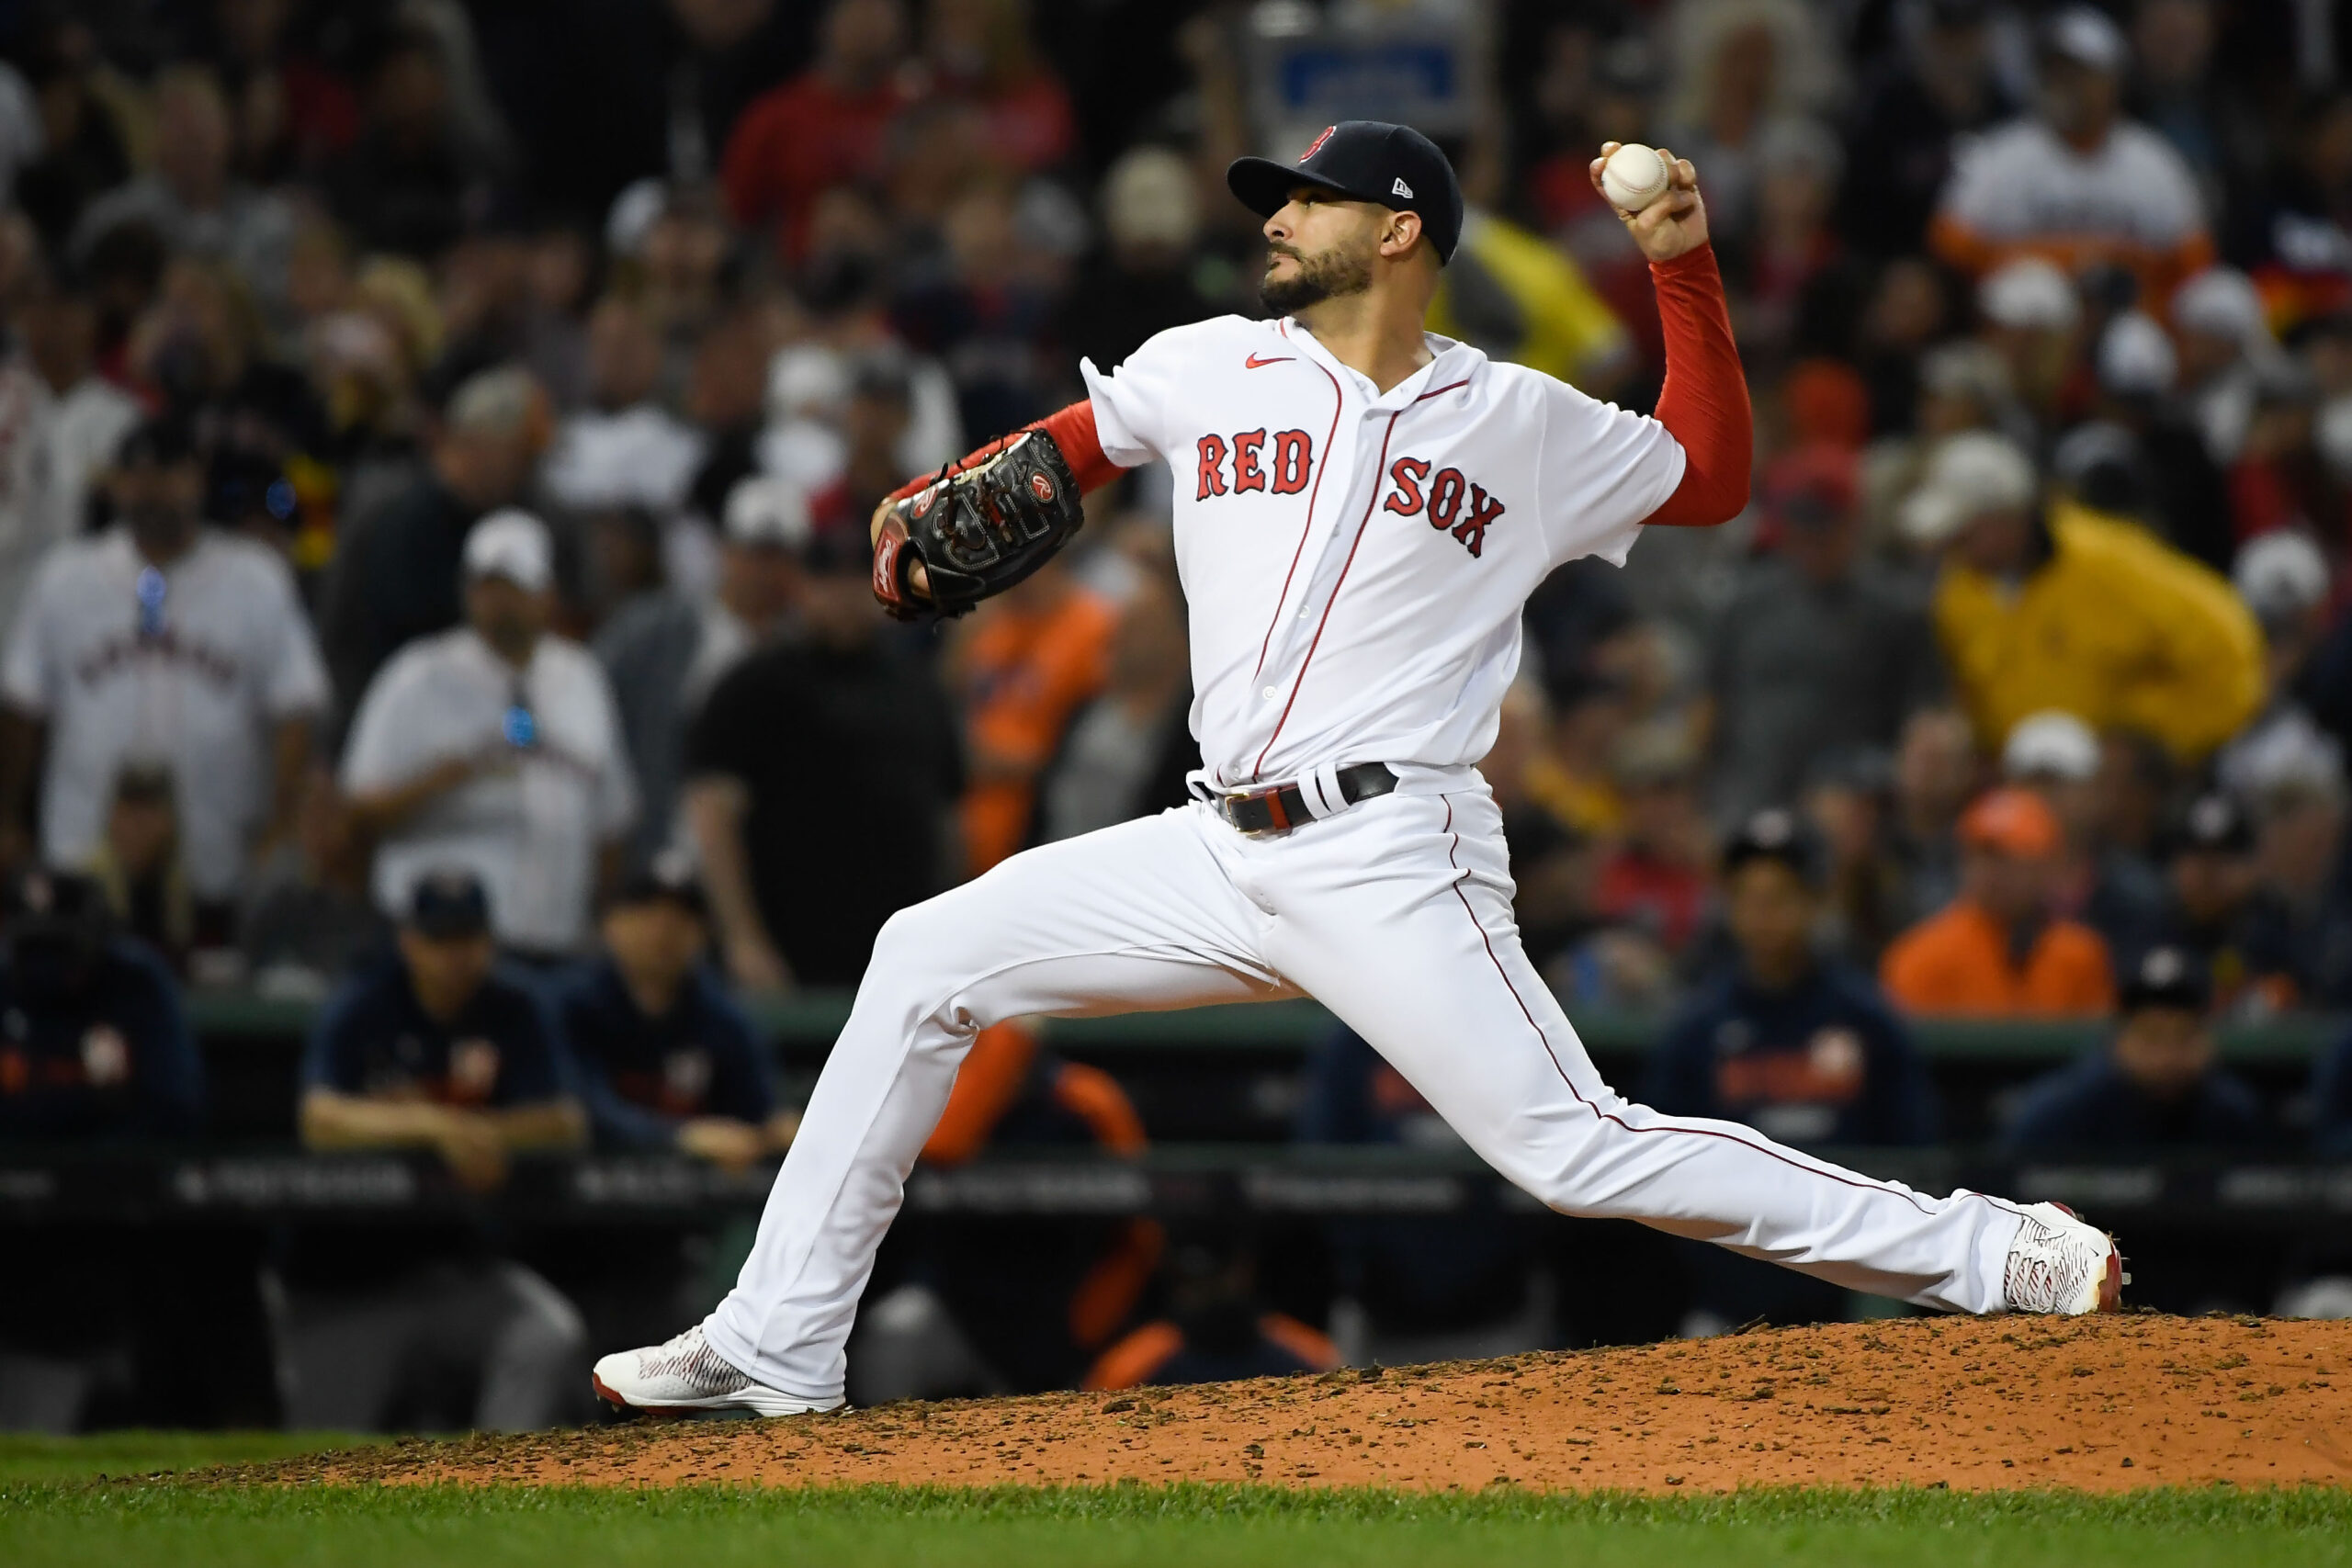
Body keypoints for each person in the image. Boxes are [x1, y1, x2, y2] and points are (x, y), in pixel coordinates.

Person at [594, 123, 2120, 1422]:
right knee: (923, 955)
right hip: (1212, 846)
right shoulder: (1205, 365)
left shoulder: (1518, 419)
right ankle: (782, 1340)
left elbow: (1710, 472)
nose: (1273, 217)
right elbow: (1065, 449)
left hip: (1396, 853)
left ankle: (1999, 1252)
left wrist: (1679, 258)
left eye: (1305, 200)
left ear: (1399, 233)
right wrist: (971, 492)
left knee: (1571, 1147)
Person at [284, 869, 589, 1432]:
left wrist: (486, 1135)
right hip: (348, 1280)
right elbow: (320, 1119)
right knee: (323, 1461)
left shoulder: (512, 1007)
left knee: (544, 1332)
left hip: (458, 1271)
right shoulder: (365, 1004)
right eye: (440, 940)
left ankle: (503, 1491)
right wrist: (433, 1125)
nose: (455, 957)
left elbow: (564, 1120)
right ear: (409, 942)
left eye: (467, 940)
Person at [0, 418, 326, 909]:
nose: (151, 490)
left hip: (217, 851)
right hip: (81, 848)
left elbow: (296, 710)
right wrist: (9, 820)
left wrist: (280, 828)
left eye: (167, 474)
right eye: (136, 476)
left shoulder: (256, 577)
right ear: (115, 484)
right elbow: (22, 707)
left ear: (196, 478)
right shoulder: (64, 578)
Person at [1646, 810, 1937, 1329]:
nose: (1764, 915)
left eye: (1780, 897)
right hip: (1728, 1299)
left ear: (1814, 903)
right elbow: (1664, 1173)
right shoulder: (1697, 1026)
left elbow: (1909, 1154)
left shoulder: (1865, 1018)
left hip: (1850, 1296)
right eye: (1749, 898)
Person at [341, 510, 637, 962]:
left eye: (513, 587)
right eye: (485, 586)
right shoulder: (418, 676)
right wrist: (436, 781)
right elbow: (354, 814)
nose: (499, 602)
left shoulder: (581, 677)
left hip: (554, 943)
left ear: (547, 594)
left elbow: (611, 822)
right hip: (441, 951)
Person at [683, 516, 961, 993]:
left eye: (860, 578)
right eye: (828, 580)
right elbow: (712, 817)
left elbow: (948, 819)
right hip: (791, 953)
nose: (845, 595)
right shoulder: (755, 684)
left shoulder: (916, 688)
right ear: (802, 586)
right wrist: (744, 940)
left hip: (898, 956)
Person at [1899, 430, 2263, 765]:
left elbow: (2228, 646)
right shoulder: (1960, 592)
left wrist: (2157, 742)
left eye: (1965, 537)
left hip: (2117, 794)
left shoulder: (2109, 563)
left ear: (2009, 516)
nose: (1958, 555)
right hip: (2021, 787)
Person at [1702, 443, 1942, 827]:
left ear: (1853, 523)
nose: (1810, 546)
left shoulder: (1896, 610)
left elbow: (1923, 715)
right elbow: (1711, 705)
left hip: (1850, 808)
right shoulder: (1746, 603)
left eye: (1824, 532)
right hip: (1750, 796)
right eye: (1801, 530)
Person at [1928, 6, 2212, 304]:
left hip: (2127, 326)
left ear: (2113, 82)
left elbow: (2194, 262)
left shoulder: (2153, 162)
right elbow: (1948, 244)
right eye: (2055, 72)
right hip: (2022, 322)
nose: (2065, 84)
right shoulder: (2001, 154)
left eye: (2079, 74)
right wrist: (2026, 262)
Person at [595, 476, 807, 871]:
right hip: (662, 852)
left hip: (763, 867)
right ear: (726, 551)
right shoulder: (654, 631)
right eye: (757, 553)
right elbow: (594, 708)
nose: (768, 572)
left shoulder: (806, 654)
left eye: (782, 556)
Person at [318, 364, 548, 725]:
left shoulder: (509, 515)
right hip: (402, 722)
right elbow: (371, 644)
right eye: (517, 453)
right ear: (475, 444)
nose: (527, 469)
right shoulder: (402, 524)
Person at [553, 856, 793, 1162]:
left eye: (681, 917)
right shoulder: (572, 1005)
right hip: (577, 1198)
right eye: (647, 911)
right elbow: (579, 1111)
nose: (664, 929)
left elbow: (760, 1116)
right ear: (611, 923)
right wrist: (680, 1137)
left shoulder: (722, 1017)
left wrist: (776, 1131)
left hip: (696, 1202)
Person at [1882, 786, 2116, 1016]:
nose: (1992, 871)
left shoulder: (2082, 956)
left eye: (2010, 857)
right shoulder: (1921, 957)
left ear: (2047, 865)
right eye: (1981, 856)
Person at [2006, 944, 2265, 1148]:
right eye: (2151, 1037)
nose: (2166, 1056)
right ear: (2119, 1039)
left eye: (2183, 1036)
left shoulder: (2233, 1114)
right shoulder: (2060, 1113)